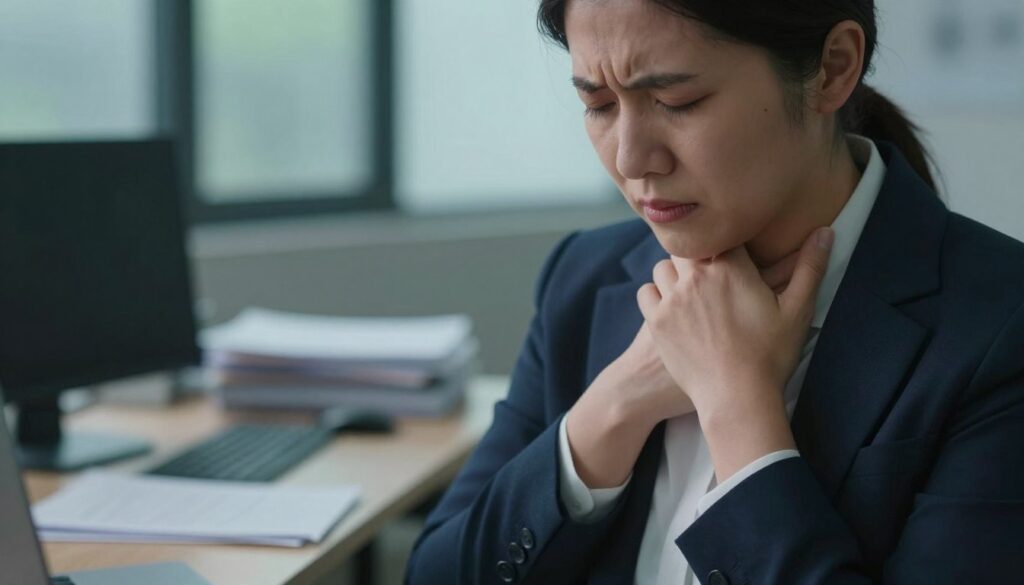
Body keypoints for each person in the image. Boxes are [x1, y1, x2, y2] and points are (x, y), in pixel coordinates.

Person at [406, 1, 1024, 583]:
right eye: (599, 105)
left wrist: (736, 406)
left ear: (833, 68)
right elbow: (433, 573)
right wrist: (618, 404)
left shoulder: (999, 325)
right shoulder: (585, 277)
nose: (630, 158)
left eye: (677, 100)